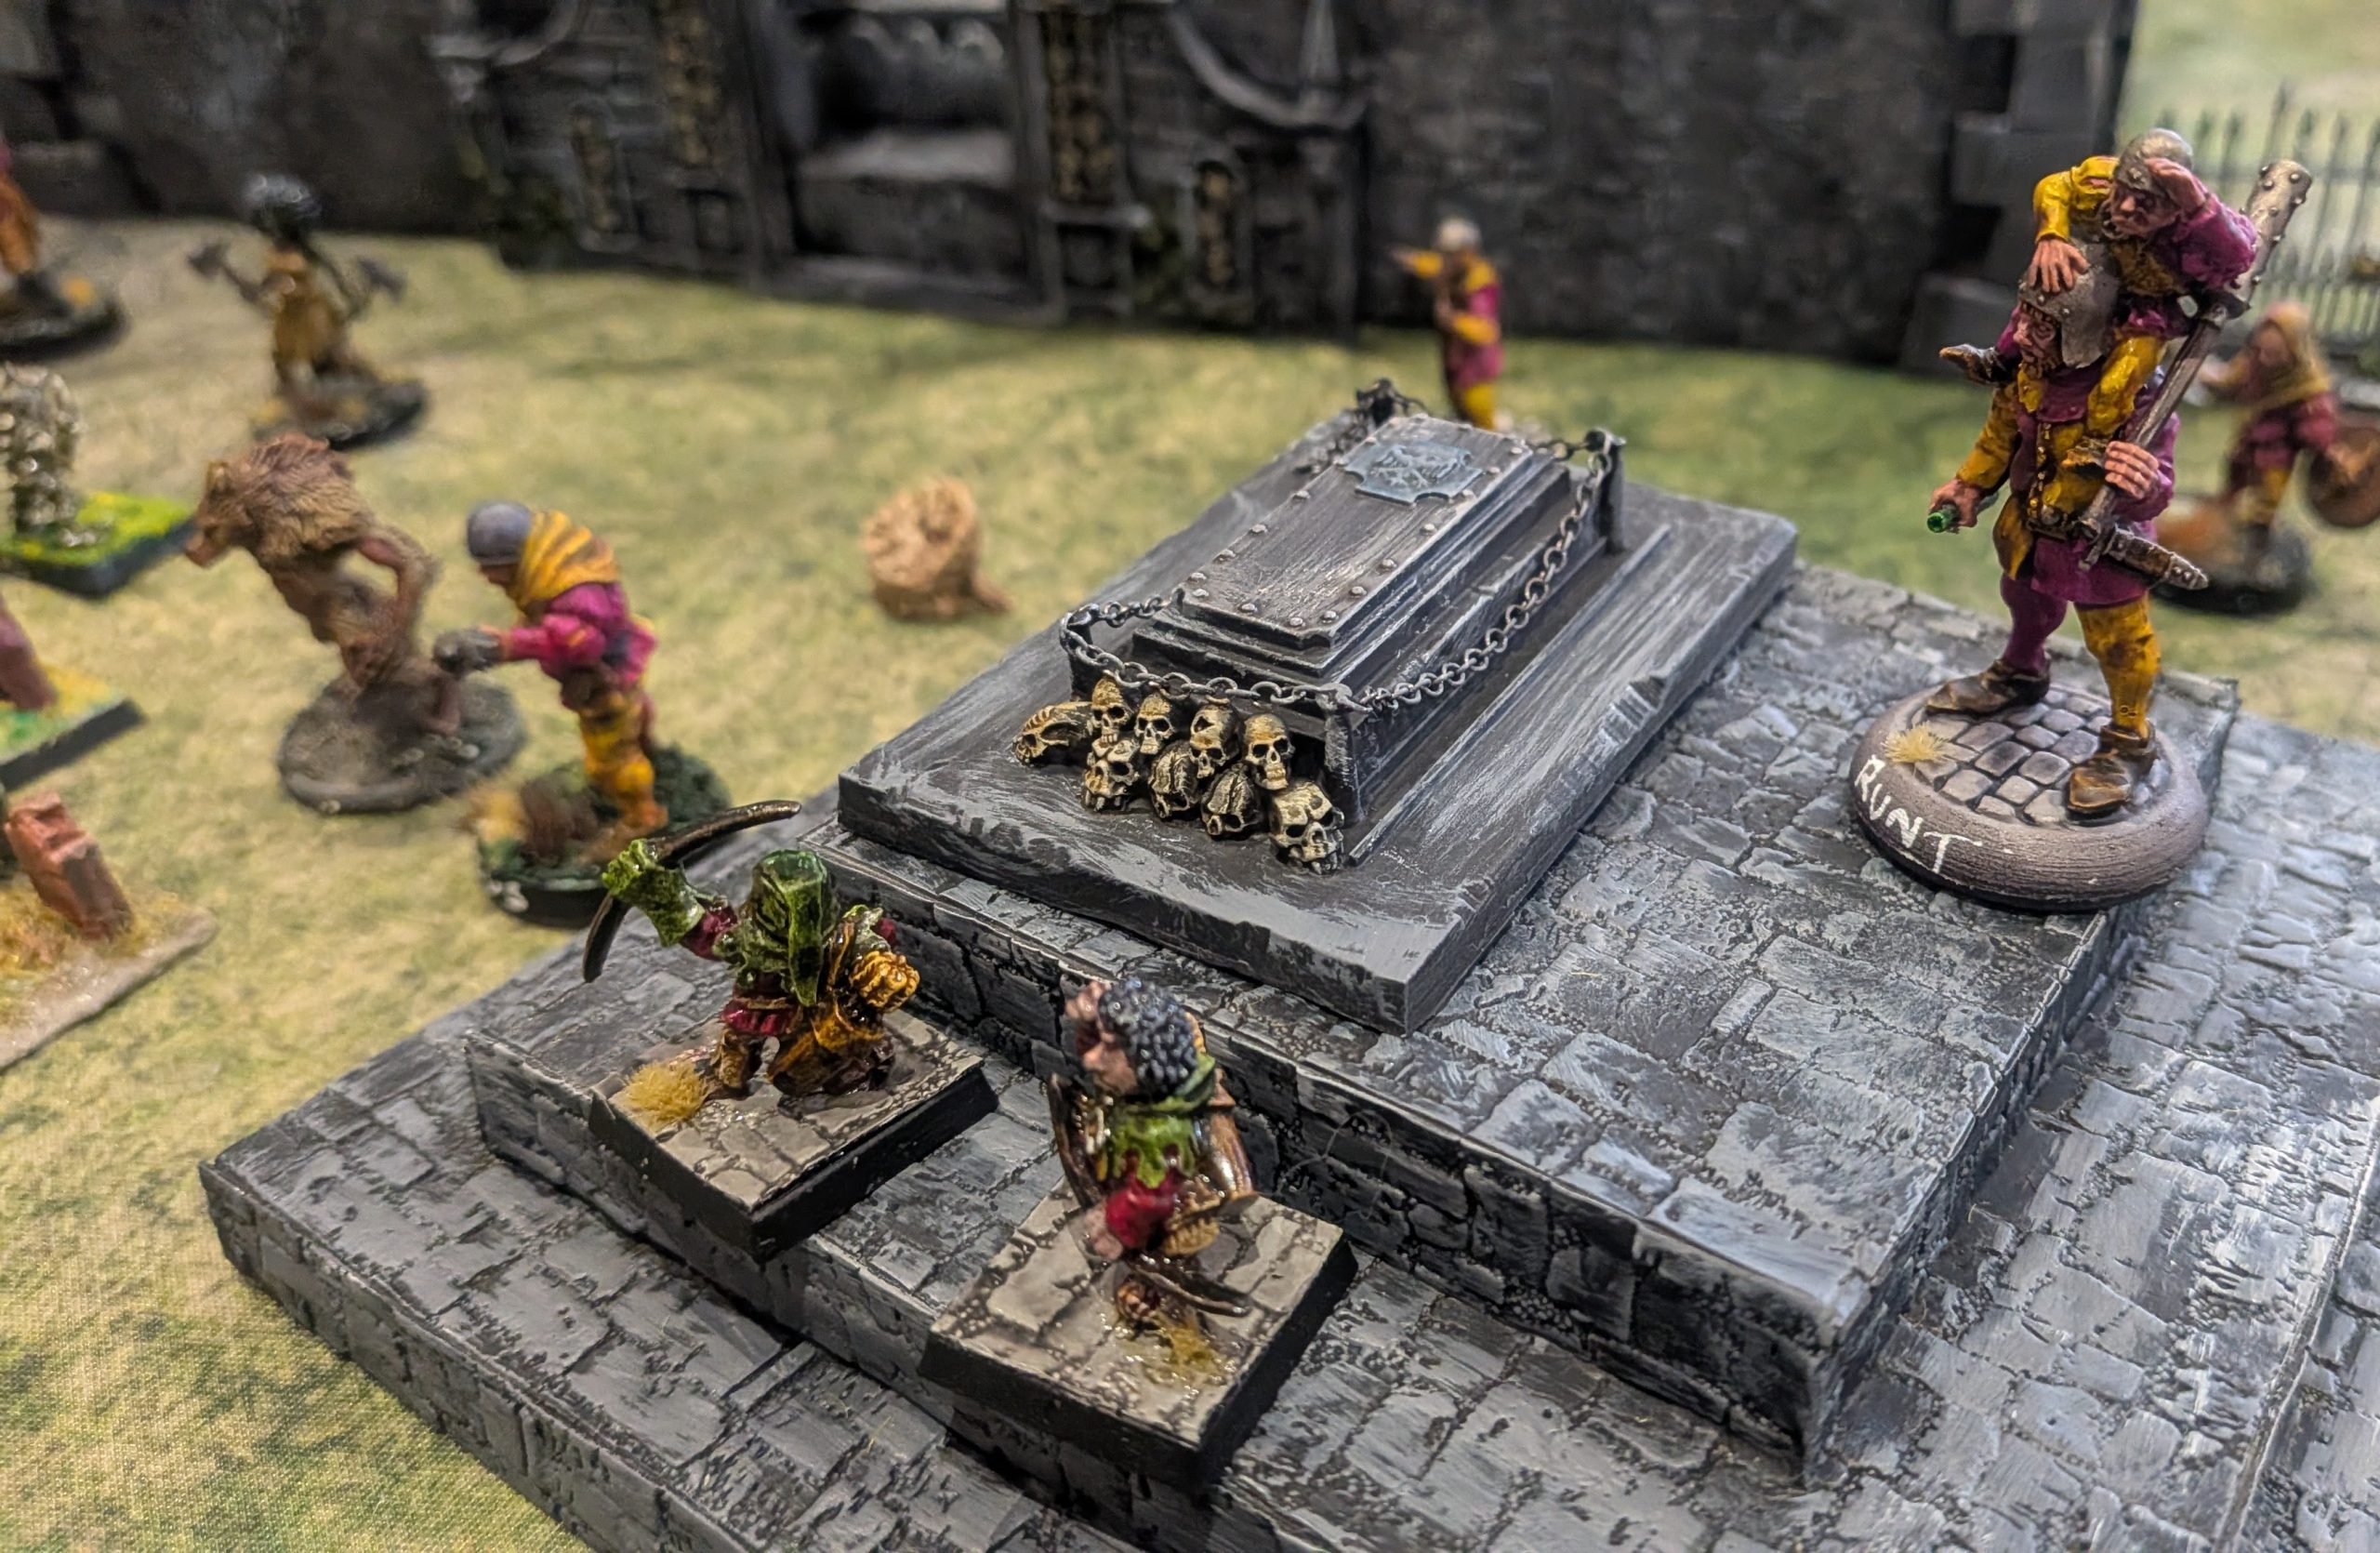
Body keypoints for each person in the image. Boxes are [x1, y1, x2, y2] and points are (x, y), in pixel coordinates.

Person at [1926, 253, 2179, 818]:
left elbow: (2158, 485)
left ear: (2082, 334)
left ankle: (2128, 740)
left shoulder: (2139, 399)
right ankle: (2022, 670)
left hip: (2102, 544)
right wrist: (1970, 485)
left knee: (2119, 640)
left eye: (2041, 326)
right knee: (2025, 599)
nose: (2022, 334)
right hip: (2032, 525)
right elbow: (1999, 437)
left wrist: (2142, 483)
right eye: (2024, 317)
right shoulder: (2030, 375)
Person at [439, 502, 665, 854]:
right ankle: (648, 750)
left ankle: (641, 820)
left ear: (517, 560)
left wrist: (510, 645)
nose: (485, 576)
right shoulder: (550, 574)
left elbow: (579, 643)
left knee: (610, 757)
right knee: (633, 720)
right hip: (611, 665)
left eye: (492, 567)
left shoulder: (572, 591)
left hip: (605, 677)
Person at [1390, 217, 1503, 429]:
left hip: (1475, 365)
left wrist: (1453, 320)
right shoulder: (1450, 269)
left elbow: (1485, 330)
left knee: (1479, 413)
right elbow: (1432, 264)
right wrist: (1412, 260)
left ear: (1469, 251)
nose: (1446, 260)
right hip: (1455, 360)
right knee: (1459, 412)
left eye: (1452, 254)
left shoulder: (1479, 282)